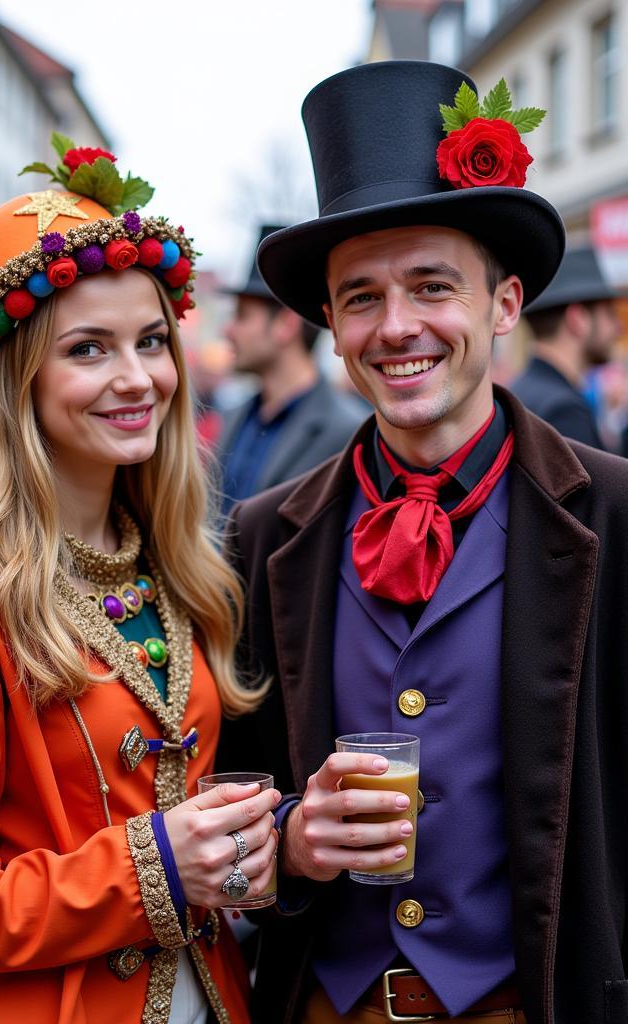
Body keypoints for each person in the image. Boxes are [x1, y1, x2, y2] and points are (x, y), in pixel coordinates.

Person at [218, 61, 628, 1024]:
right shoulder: (265, 532)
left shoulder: (614, 513)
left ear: (505, 302)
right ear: (329, 327)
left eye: (432, 286)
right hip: (325, 1004)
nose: (396, 327)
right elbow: (229, 804)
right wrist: (287, 841)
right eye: (359, 297)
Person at [0, 138, 280, 1024]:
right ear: (22, 381)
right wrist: (158, 865)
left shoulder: (174, 556)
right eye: (90, 349)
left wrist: (273, 843)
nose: (138, 379)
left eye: (150, 343)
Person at [217, 225, 364, 517]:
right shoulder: (234, 415)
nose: (228, 330)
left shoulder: (348, 431)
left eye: (242, 316)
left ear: (286, 325)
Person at [510, 244, 621, 449]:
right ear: (578, 319)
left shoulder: (518, 393)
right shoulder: (564, 411)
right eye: (609, 314)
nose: (618, 327)